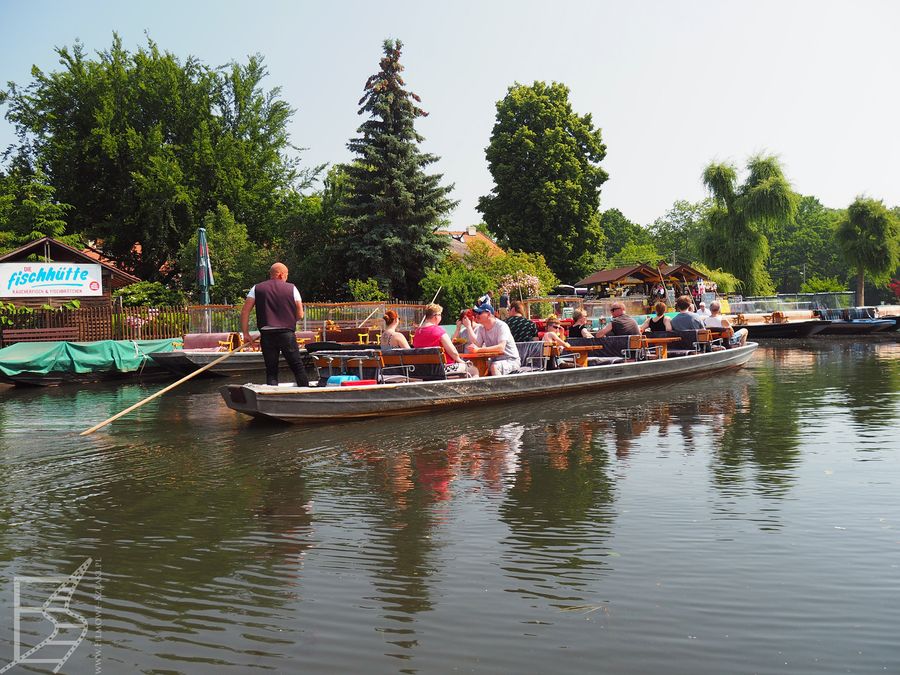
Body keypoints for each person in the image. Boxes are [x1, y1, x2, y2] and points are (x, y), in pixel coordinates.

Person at [240, 262, 309, 387]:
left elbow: (245, 311)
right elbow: (300, 314)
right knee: (297, 366)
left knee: (271, 369)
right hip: (286, 333)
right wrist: (289, 321)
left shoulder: (256, 288)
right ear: (282, 275)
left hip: (267, 334)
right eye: (287, 275)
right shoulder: (292, 288)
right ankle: (306, 392)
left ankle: (272, 395)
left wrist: (246, 333)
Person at [413, 303, 474, 376]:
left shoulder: (417, 332)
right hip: (442, 369)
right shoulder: (438, 330)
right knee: (473, 369)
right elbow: (453, 352)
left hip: (423, 370)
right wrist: (461, 361)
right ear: (436, 316)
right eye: (440, 315)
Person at [466, 299, 521, 375]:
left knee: (494, 366)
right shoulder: (481, 328)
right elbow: (477, 345)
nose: (477, 315)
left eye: (479, 313)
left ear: (488, 314)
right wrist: (469, 327)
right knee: (475, 367)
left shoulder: (501, 326)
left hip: (511, 360)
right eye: (476, 313)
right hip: (494, 360)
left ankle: (499, 387)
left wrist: (478, 350)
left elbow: (501, 348)